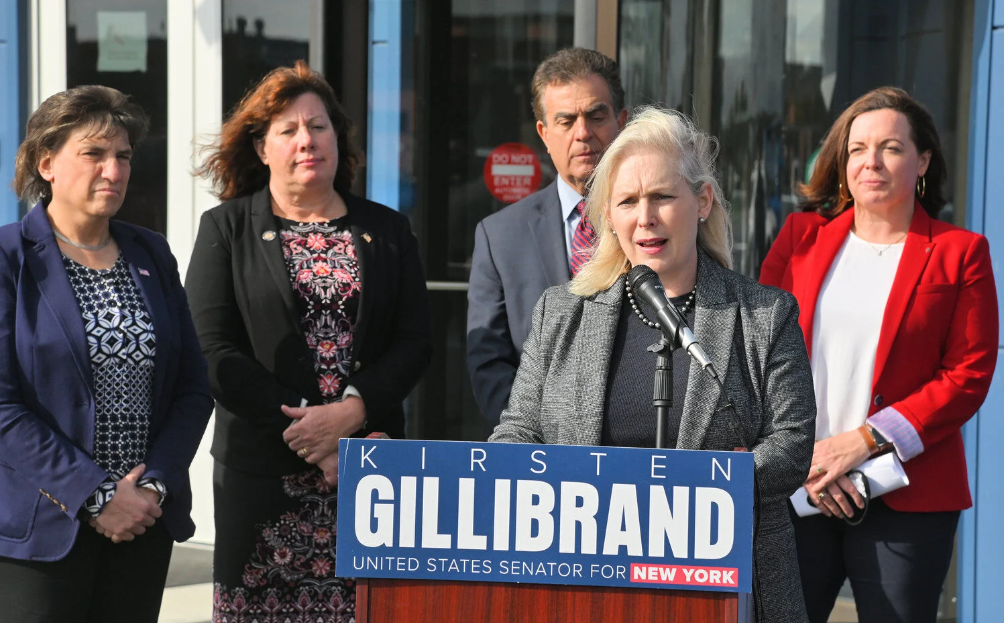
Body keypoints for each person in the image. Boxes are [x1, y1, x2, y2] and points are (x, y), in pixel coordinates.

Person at [490, 107, 815, 623]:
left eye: (662, 196)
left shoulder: (764, 315)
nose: (645, 217)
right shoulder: (561, 311)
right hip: (584, 587)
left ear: (702, 202)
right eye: (628, 201)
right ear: (608, 216)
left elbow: (792, 444)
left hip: (724, 591)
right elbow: (519, 431)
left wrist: (711, 487)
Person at [187, 61, 432, 622]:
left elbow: (415, 341)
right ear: (261, 147)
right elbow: (212, 350)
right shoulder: (226, 228)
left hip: (368, 469)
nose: (307, 141)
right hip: (262, 477)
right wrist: (313, 435)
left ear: (338, 139)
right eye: (289, 130)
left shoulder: (388, 230)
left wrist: (352, 414)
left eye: (319, 126)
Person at [760, 87, 998, 623]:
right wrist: (806, 457)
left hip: (908, 497)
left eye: (891, 148)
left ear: (923, 161)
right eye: (857, 149)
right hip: (799, 485)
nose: (871, 162)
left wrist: (861, 442)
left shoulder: (961, 253)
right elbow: (756, 353)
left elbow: (967, 374)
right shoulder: (800, 237)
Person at [0, 86, 213, 622]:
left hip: (142, 522)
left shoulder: (151, 252)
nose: (113, 171)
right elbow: (2, 407)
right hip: (41, 530)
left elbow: (192, 387)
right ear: (46, 163)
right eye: (93, 153)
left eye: (123, 156)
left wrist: (154, 486)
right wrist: (95, 496)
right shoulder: (8, 258)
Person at [467, 47, 628, 425]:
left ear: (621, 121)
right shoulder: (499, 237)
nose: (583, 133)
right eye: (566, 121)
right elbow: (489, 361)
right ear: (544, 133)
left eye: (596, 116)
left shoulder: (655, 224)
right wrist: (536, 437)